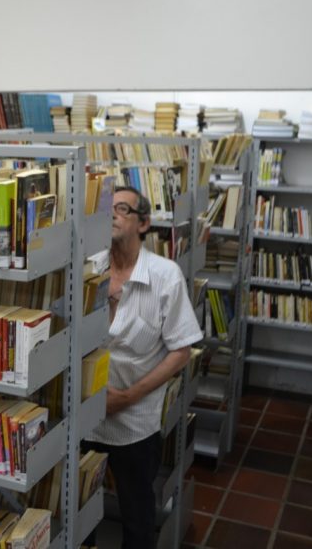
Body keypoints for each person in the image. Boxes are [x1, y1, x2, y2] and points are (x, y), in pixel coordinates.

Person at [83, 186, 203, 549]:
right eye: (109, 209)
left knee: (136, 515)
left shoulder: (165, 275)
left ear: (144, 224)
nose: (114, 215)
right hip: (88, 413)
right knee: (79, 508)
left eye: (123, 209)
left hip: (135, 421)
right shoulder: (91, 267)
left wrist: (128, 397)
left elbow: (181, 351)